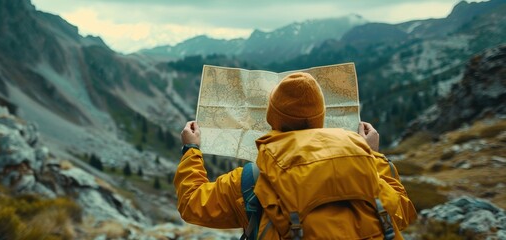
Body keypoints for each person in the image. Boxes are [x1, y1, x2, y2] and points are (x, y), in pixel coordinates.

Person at [175, 72, 417, 239]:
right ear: (321, 117)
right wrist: (372, 156)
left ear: (272, 118)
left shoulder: (253, 179)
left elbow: (192, 205)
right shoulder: (364, 167)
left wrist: (191, 150)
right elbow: (402, 213)